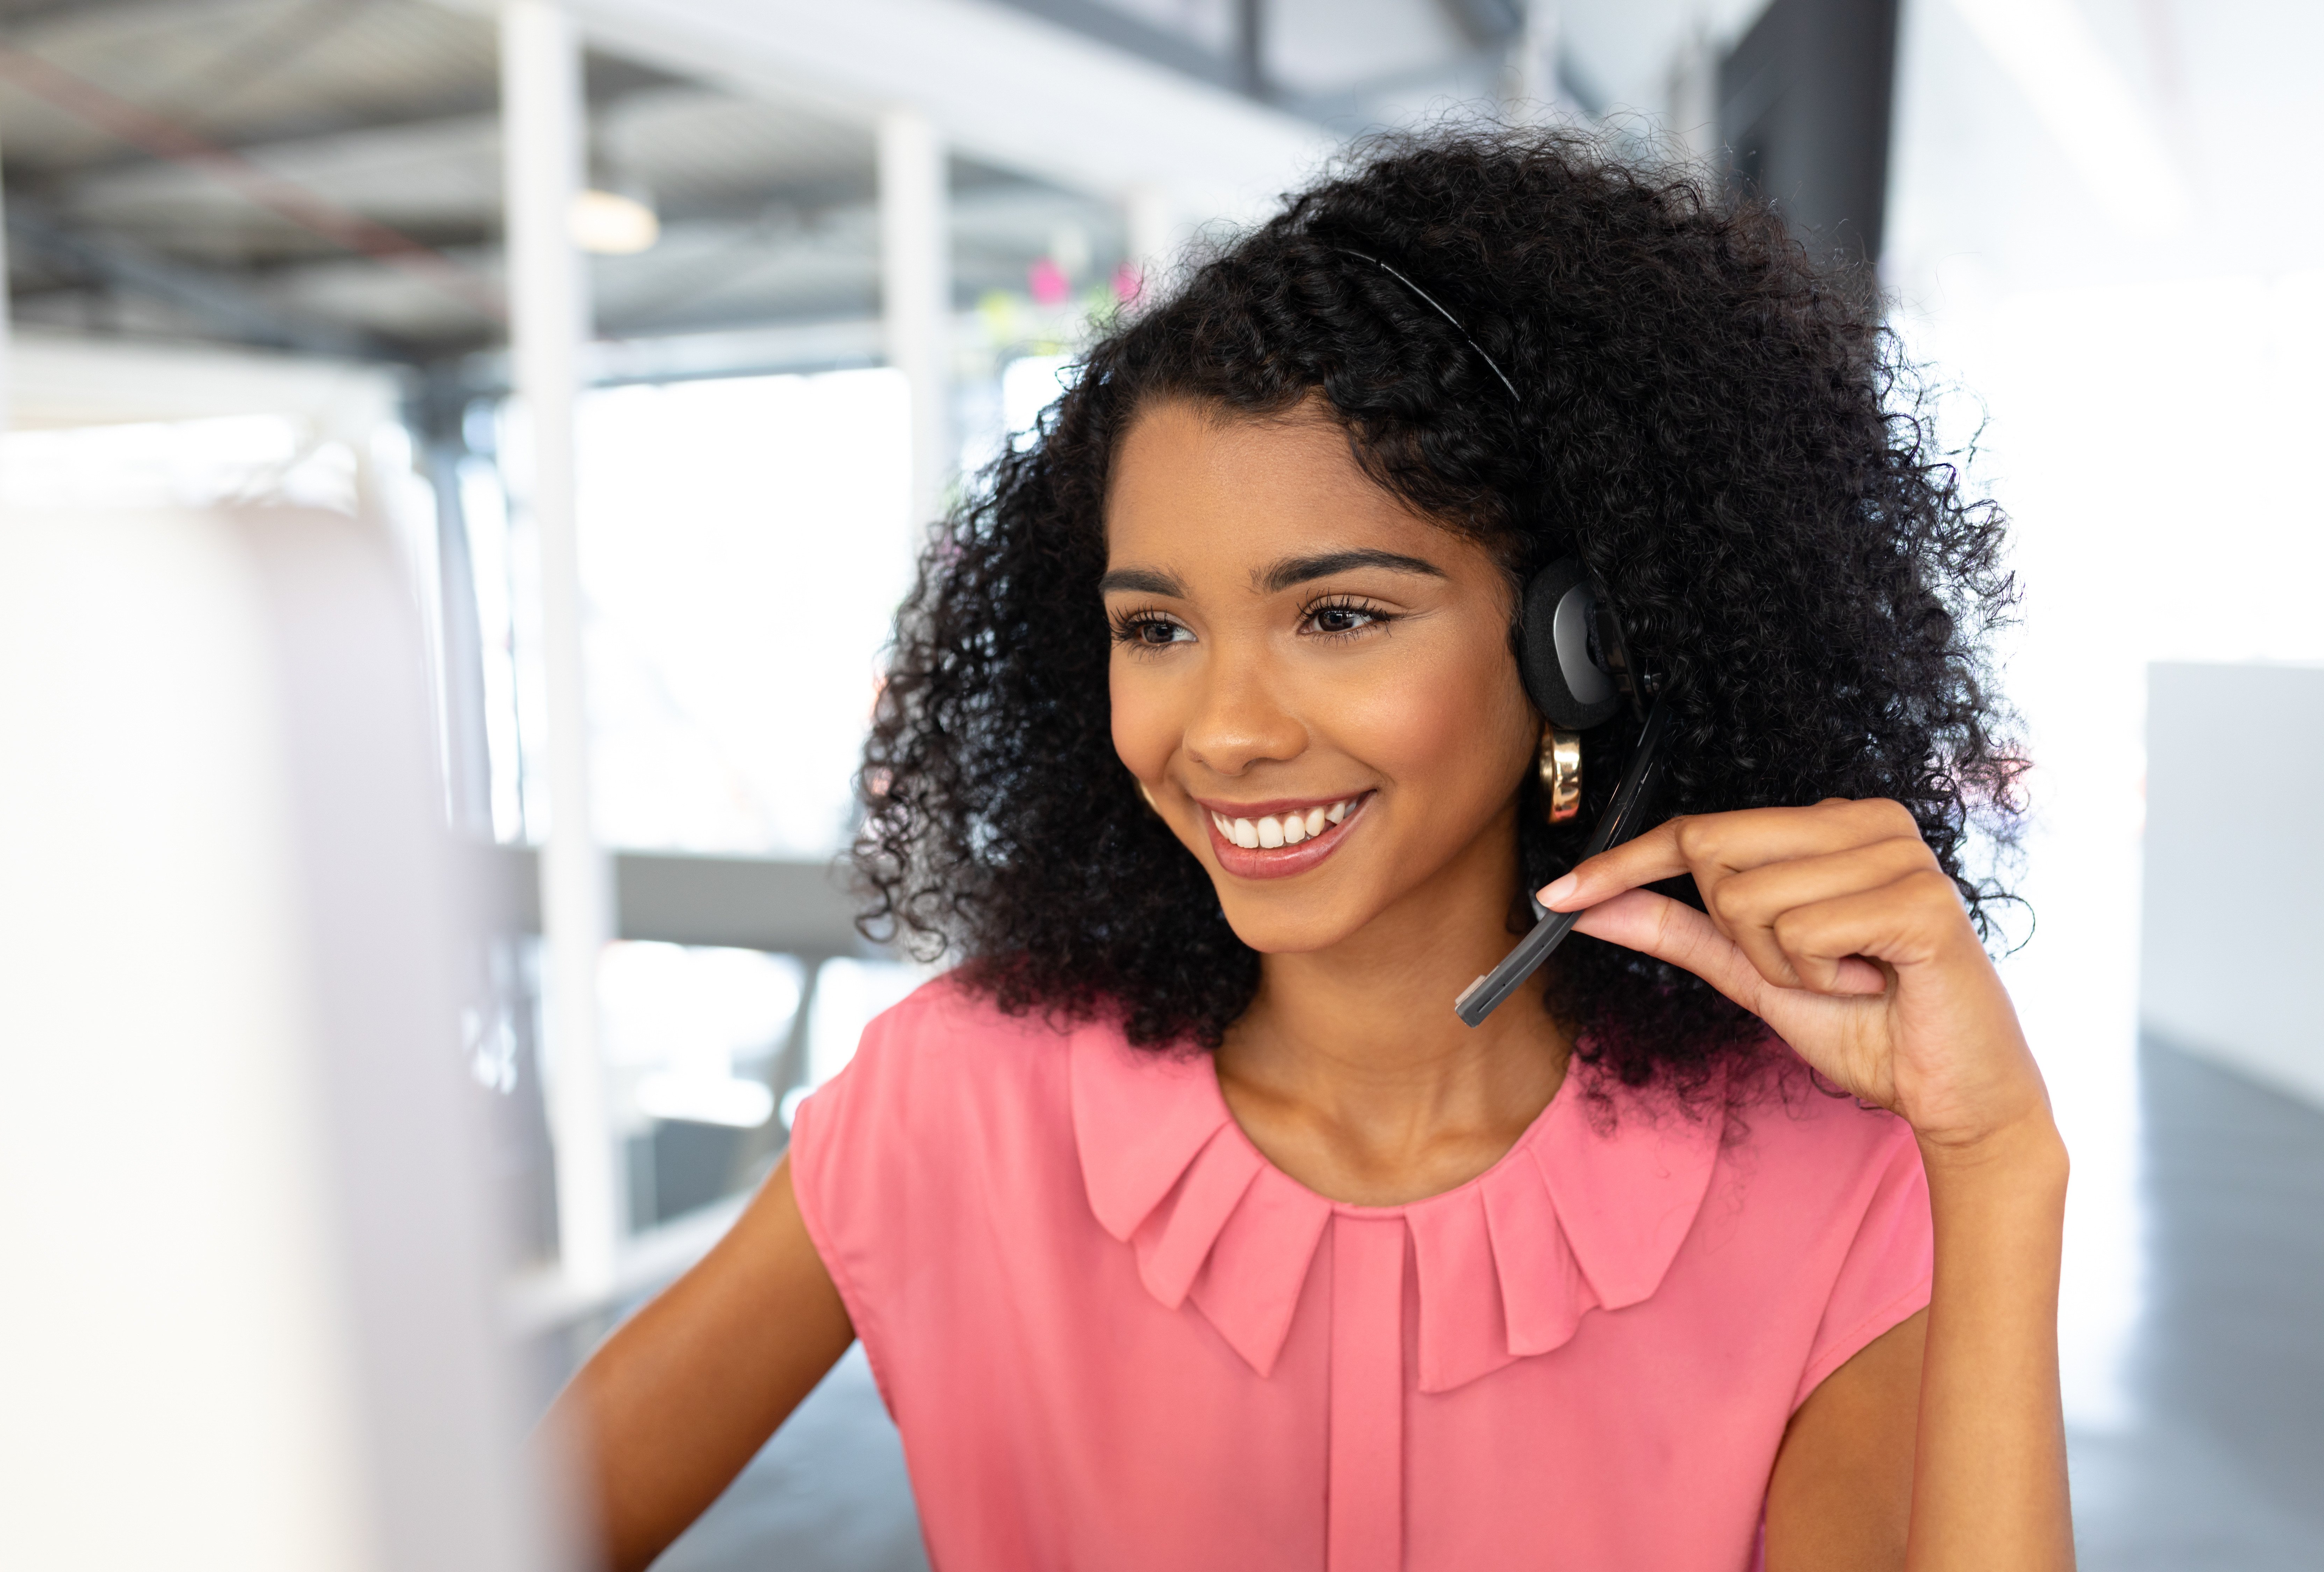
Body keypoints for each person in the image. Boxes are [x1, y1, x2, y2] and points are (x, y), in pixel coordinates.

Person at [552, 129, 2071, 1572]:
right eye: (1156, 628)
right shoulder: (955, 1102)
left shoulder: (1824, 1181)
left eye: (1339, 616)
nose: (1223, 730)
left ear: (1580, 648)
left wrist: (1997, 1163)